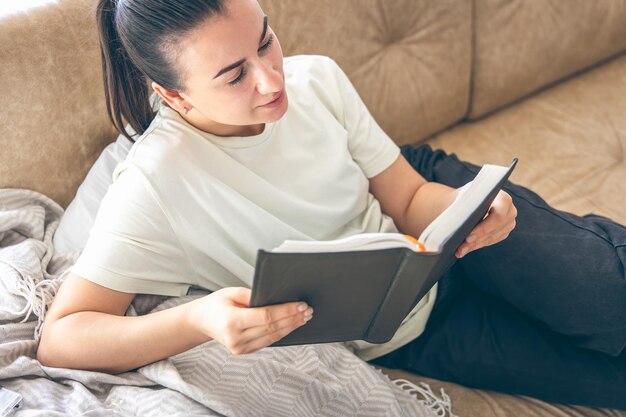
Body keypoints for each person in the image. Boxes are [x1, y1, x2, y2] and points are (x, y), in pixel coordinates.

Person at [36, 0, 626, 410]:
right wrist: (199, 319)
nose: (272, 81)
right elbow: (63, 337)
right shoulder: (156, 185)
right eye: (235, 75)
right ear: (172, 94)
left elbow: (408, 196)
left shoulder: (316, 80)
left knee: (607, 296)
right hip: (408, 329)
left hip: (427, 213)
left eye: (266, 41)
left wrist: (473, 213)